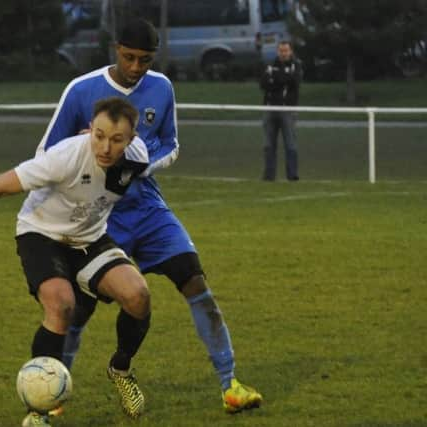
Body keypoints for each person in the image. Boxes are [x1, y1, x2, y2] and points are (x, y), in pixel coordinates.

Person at [38, 17, 262, 415]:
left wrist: (142, 165)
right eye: (129, 57)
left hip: (149, 210)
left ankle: (230, 385)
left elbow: (172, 145)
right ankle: (52, 393)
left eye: (145, 59)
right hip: (100, 217)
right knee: (80, 307)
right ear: (115, 49)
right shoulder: (81, 90)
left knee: (195, 282)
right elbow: (46, 155)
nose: (137, 67)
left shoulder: (162, 87)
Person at [0, 97, 151, 427]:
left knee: (138, 296)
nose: (105, 146)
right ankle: (40, 410)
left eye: (116, 139)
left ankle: (121, 369)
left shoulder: (137, 157)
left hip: (88, 238)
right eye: (98, 135)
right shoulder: (64, 158)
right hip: (40, 233)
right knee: (61, 304)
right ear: (89, 129)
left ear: (130, 139)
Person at [260, 40, 302, 181]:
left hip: (287, 110)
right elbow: (264, 84)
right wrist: (281, 78)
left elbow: (293, 82)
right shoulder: (271, 65)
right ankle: (269, 175)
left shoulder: (296, 65)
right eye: (281, 51)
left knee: (290, 144)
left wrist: (276, 77)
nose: (283, 53)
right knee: (268, 144)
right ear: (277, 51)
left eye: (286, 51)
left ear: (290, 51)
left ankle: (292, 175)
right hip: (270, 108)